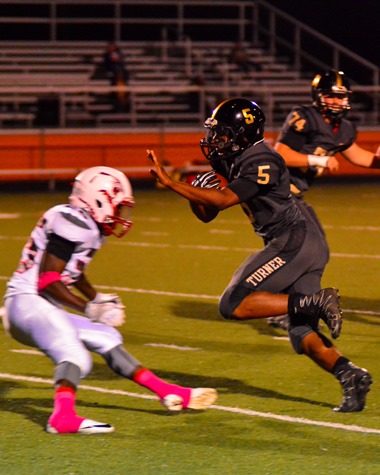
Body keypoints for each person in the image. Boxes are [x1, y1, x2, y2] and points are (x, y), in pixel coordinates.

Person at [147, 97, 372, 413]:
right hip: (298, 242)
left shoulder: (263, 160)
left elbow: (224, 199)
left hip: (293, 240)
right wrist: (194, 195)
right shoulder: (232, 156)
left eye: (222, 133)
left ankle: (315, 301)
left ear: (241, 133)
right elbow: (208, 213)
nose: (215, 140)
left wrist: (172, 183)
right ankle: (350, 374)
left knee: (232, 303)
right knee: (301, 330)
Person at [2, 166, 217, 435]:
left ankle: (168, 392)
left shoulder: (83, 223)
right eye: (119, 206)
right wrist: (89, 308)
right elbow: (48, 280)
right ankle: (62, 418)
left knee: (107, 336)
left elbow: (73, 272)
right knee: (75, 356)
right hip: (26, 303)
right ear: (99, 198)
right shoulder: (72, 220)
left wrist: (97, 298)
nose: (120, 215)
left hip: (37, 306)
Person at [269, 69, 380, 330]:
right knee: (304, 252)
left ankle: (292, 307)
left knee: (317, 251)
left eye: (342, 97)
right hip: (276, 195)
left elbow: (360, 157)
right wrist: (317, 159)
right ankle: (285, 308)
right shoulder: (303, 117)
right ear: (319, 96)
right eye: (332, 96)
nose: (339, 102)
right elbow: (281, 153)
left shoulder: (343, 129)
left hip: (294, 196)